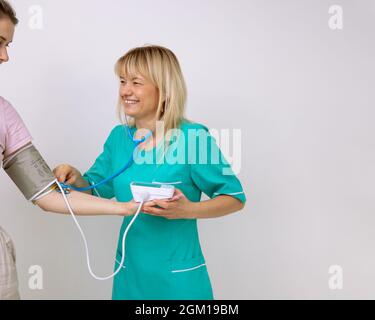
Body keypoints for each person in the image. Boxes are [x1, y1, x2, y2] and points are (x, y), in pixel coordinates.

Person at [54, 45, 246, 300]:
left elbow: (234, 198)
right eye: (122, 81)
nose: (126, 91)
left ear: (164, 90)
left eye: (136, 82)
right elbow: (98, 188)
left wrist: (187, 210)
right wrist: (76, 177)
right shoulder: (118, 137)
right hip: (130, 274)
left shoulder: (193, 138)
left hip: (178, 278)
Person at [0, 0, 140, 300]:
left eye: (8, 45)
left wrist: (124, 208)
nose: (5, 56)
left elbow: (47, 195)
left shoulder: (4, 115)